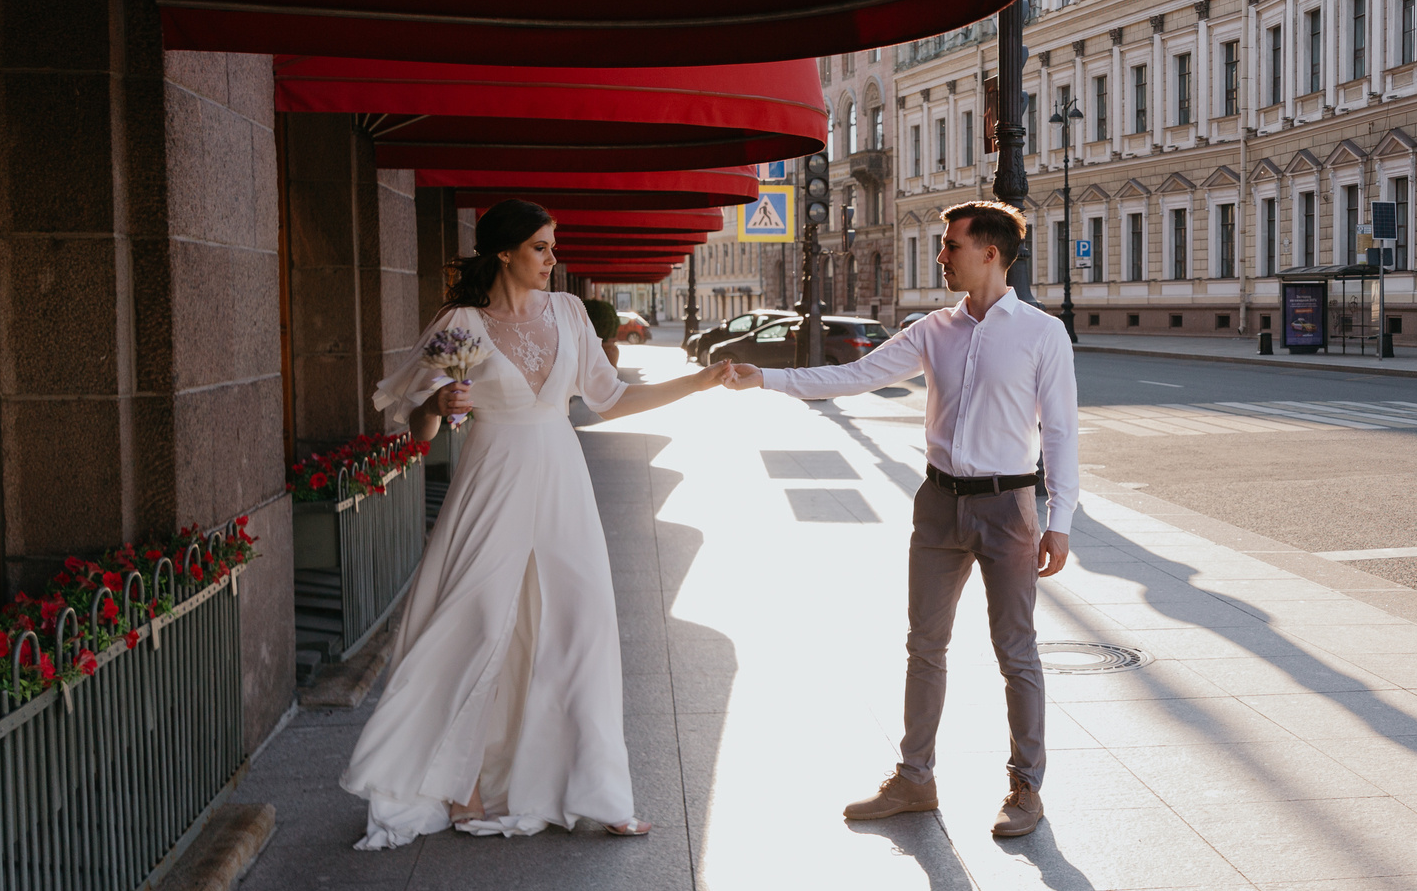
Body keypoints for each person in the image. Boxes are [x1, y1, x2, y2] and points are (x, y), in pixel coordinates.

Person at [342, 200, 721, 849]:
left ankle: (602, 793)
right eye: (542, 248)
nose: (552, 259)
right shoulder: (461, 325)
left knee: (585, 621)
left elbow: (611, 396)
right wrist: (440, 400)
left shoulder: (571, 314)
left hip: (562, 481)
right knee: (482, 623)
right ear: (505, 253)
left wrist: (701, 380)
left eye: (552, 246)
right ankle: (459, 784)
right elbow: (420, 425)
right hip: (491, 479)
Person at [718, 200, 1076, 838]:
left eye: (951, 245)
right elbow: (854, 375)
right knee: (924, 646)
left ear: (991, 253)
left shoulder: (1042, 334)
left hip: (1009, 506)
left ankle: (1027, 787)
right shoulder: (933, 329)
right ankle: (915, 779)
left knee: (1015, 651)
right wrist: (765, 378)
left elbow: (1063, 434)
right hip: (939, 503)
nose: (942, 254)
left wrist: (1061, 520)